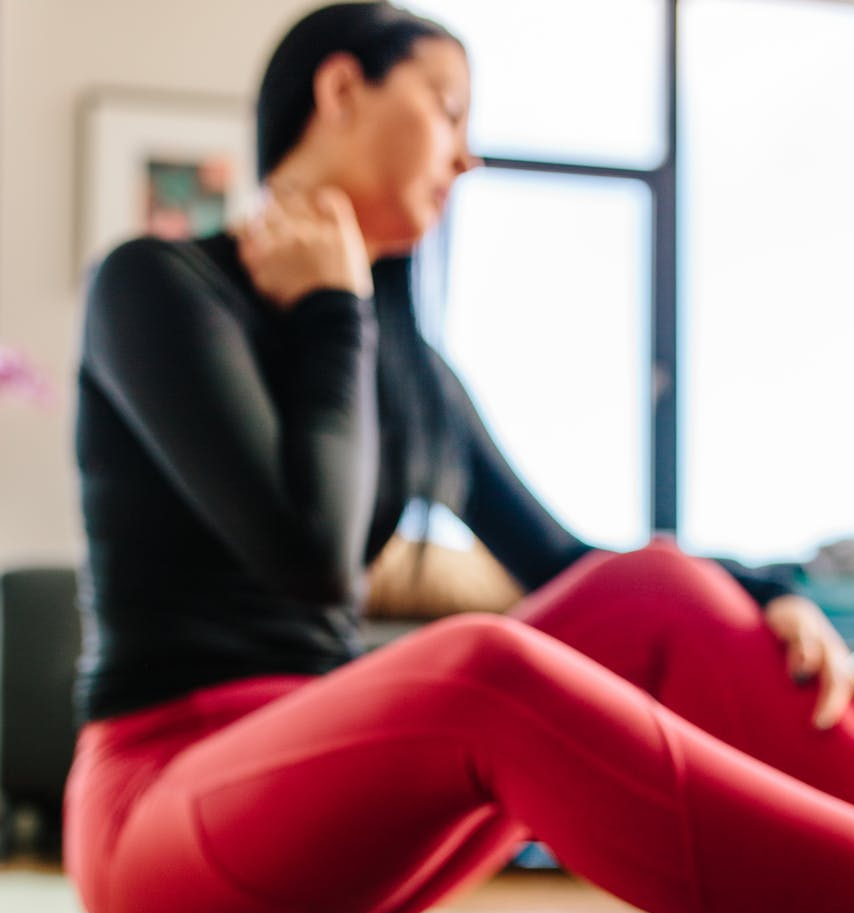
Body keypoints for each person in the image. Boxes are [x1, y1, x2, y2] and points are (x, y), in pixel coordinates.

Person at [63, 4, 854, 912]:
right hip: (163, 801)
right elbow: (310, 558)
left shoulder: (415, 376)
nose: (467, 155)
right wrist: (334, 308)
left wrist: (769, 592)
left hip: (339, 794)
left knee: (658, 586)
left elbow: (566, 563)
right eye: (447, 107)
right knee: (481, 667)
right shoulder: (155, 285)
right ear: (340, 89)